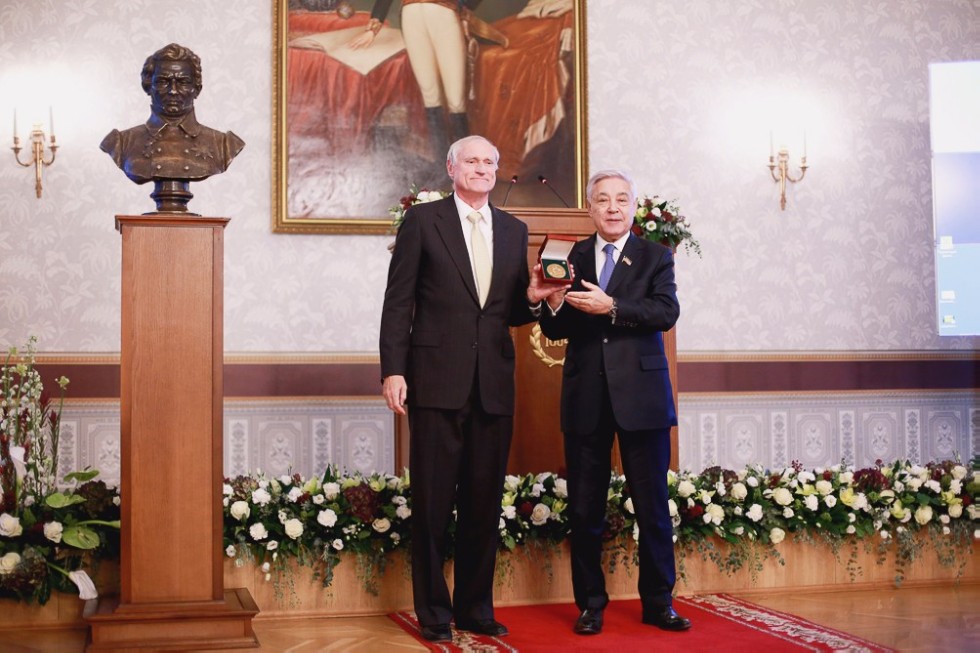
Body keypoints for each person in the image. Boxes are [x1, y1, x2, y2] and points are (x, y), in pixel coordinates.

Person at [379, 134, 556, 642]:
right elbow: (398, 302)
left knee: (484, 503)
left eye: (490, 162)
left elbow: (511, 311)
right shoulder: (422, 221)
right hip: (435, 381)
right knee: (433, 504)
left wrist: (535, 296)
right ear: (451, 168)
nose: (482, 168)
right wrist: (393, 370)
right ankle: (434, 612)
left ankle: (476, 608)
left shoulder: (514, 229)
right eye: (472, 161)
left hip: (493, 385)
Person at [539, 169, 691, 635]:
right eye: (603, 199)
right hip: (586, 395)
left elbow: (666, 312)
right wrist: (551, 302)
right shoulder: (570, 256)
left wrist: (614, 307)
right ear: (590, 208)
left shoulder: (655, 256)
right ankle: (590, 604)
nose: (612, 207)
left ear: (633, 207)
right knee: (585, 508)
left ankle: (658, 603)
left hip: (642, 398)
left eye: (621, 199)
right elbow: (555, 329)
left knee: (652, 506)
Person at [349, 1, 482, 159]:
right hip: (411, 15)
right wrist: (373, 28)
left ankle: (464, 161)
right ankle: (441, 163)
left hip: (443, 13)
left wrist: (464, 6)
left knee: (456, 101)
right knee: (430, 97)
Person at [100, 43, 244, 185]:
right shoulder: (121, 142)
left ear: (197, 88)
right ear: (148, 86)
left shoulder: (224, 144)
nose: (173, 91)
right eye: (163, 82)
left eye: (183, 82)